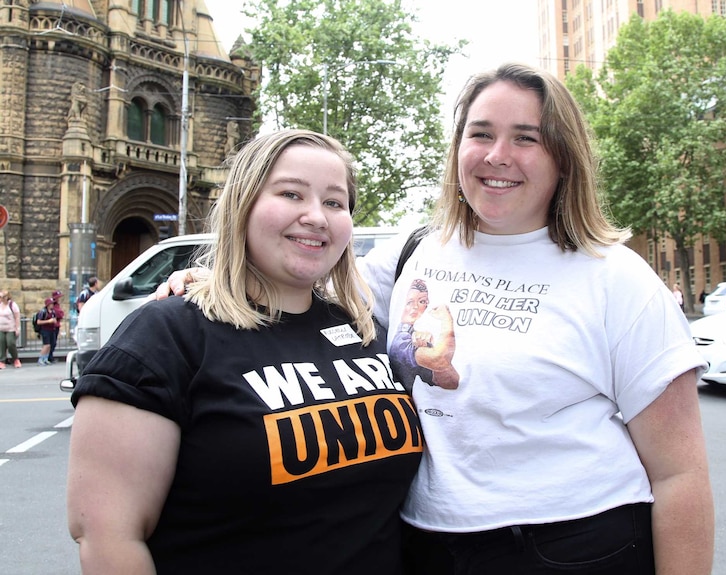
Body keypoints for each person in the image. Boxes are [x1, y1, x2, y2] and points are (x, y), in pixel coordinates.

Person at [160, 63, 714, 574]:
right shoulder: (413, 254)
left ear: (563, 157)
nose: (498, 154)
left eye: (526, 137)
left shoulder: (616, 277)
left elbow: (680, 475)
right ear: (457, 149)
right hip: (426, 545)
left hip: (576, 548)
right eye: (480, 134)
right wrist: (207, 279)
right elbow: (295, 282)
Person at [66, 129, 423, 574]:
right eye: (291, 194)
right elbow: (108, 536)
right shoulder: (167, 335)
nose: (316, 216)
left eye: (334, 202)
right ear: (243, 204)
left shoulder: (365, 331)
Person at [389, 278, 459, 390]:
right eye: (409, 302)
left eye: (421, 301)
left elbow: (452, 382)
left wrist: (427, 347)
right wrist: (447, 320)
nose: (415, 307)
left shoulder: (417, 337)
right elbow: (439, 360)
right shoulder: (400, 341)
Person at [0, 290, 22, 369]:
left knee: (10, 343)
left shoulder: (12, 305)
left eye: (2, 297)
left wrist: (17, 328)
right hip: (1, 328)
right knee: (1, 344)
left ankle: (15, 359)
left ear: (6, 297)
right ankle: (2, 361)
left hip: (10, 328)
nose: (0, 299)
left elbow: (17, 317)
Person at [35, 298, 58, 366]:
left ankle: (46, 358)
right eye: (51, 304)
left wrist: (54, 321)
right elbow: (38, 322)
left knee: (50, 345)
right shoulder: (43, 312)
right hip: (45, 330)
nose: (52, 305)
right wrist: (48, 321)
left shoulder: (53, 312)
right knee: (46, 345)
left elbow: (55, 319)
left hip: (52, 330)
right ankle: (41, 359)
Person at [49, 290, 65, 363]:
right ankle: (49, 357)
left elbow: (61, 314)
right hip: (53, 326)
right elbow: (59, 314)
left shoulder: (57, 305)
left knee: (54, 342)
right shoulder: (53, 305)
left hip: (56, 325)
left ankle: (50, 356)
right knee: (51, 342)